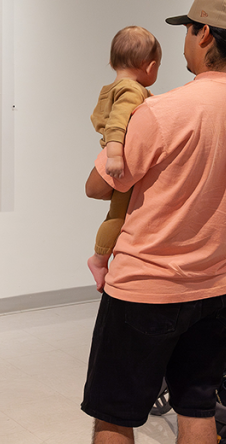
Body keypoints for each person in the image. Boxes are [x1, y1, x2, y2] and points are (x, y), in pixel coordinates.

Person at [81, 0, 226, 444]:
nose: (185, 40)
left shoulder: (160, 111)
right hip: (216, 290)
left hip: (143, 291)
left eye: (189, 30)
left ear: (205, 34)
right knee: (197, 410)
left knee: (114, 416)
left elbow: (98, 187)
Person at [87, 26, 162, 292]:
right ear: (149, 66)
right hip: (121, 161)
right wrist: (116, 156)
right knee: (117, 217)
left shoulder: (114, 87)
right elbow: (117, 125)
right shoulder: (132, 90)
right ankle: (99, 258)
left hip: (119, 158)